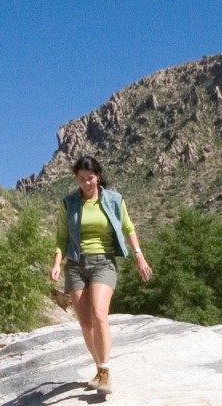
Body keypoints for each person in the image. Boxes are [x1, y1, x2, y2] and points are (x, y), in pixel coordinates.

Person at [48, 155, 152, 393]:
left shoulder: (114, 200)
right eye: (81, 179)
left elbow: (128, 227)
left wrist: (138, 255)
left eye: (90, 178)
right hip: (75, 264)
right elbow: (61, 238)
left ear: (99, 177)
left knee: (98, 313)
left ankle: (105, 372)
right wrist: (56, 263)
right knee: (85, 323)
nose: (86, 183)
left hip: (103, 262)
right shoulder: (69, 203)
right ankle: (99, 367)